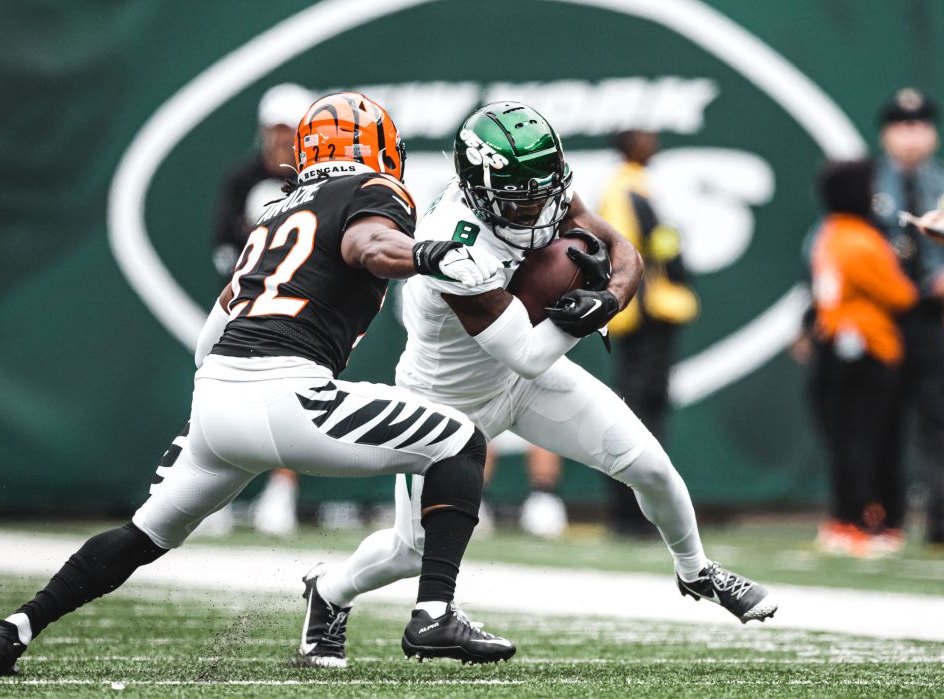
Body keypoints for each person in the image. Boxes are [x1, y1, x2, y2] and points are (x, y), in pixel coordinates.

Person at [0, 92, 517, 675]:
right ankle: (434, 613)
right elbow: (369, 245)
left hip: (219, 398)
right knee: (459, 442)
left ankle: (16, 626)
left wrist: (206, 419)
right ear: (375, 146)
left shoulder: (277, 211)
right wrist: (431, 253)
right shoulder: (372, 191)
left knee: (145, 533)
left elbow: (216, 328)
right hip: (285, 392)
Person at [295, 103, 778, 668]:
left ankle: (697, 571)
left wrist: (611, 297)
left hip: (525, 375)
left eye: (540, 190)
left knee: (649, 465)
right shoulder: (454, 243)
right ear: (479, 186)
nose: (533, 205)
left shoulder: (544, 191)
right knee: (410, 551)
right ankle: (329, 591)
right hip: (447, 402)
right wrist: (587, 318)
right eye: (518, 194)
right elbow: (524, 353)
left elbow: (624, 251)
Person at [209, 83, 315, 537]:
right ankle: (210, 493)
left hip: (304, 314)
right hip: (247, 310)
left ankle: (281, 492)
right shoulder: (241, 179)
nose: (281, 141)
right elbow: (220, 250)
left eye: (290, 131)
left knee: (295, 401)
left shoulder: (319, 182)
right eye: (275, 131)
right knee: (221, 395)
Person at [810, 160, 918, 557]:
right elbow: (901, 295)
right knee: (870, 441)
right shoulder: (862, 241)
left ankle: (846, 517)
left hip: (838, 347)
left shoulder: (829, 234)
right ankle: (864, 520)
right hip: (871, 350)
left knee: (846, 440)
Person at [872, 88, 944, 546]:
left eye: (920, 126)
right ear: (887, 134)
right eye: (902, 126)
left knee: (939, 421)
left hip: (931, 315)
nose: (911, 136)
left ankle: (943, 518)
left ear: (933, 133)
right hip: (882, 315)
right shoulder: (868, 186)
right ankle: (882, 516)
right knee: (879, 418)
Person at [598, 130, 699, 536]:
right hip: (647, 316)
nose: (653, 144)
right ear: (630, 147)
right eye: (645, 139)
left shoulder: (619, 186)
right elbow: (658, 246)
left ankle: (630, 512)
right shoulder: (633, 187)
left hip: (632, 317)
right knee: (643, 412)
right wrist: (679, 266)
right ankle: (637, 514)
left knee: (630, 408)